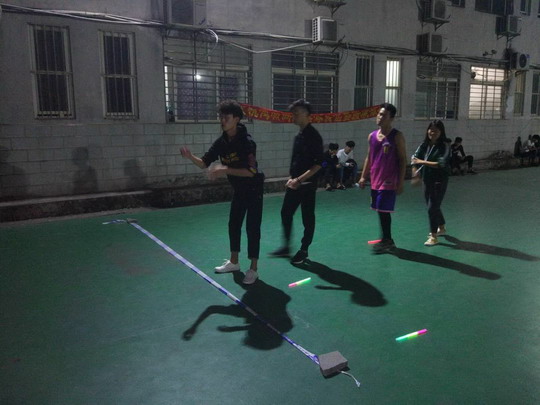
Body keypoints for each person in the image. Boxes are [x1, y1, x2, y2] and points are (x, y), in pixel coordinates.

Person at [180, 100, 264, 285]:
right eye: (221, 117)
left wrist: (224, 169)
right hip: (239, 189)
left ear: (237, 119)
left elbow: (251, 172)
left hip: (254, 188)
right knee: (234, 224)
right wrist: (190, 156)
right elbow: (204, 163)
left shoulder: (247, 142)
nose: (222, 120)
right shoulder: (222, 142)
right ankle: (234, 262)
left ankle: (253, 269)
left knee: (252, 227)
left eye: (226, 117)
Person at [270, 99, 324, 264]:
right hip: (295, 183)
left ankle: (304, 250)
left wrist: (299, 180)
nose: (293, 116)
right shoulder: (299, 136)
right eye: (293, 113)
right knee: (286, 212)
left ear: (307, 115)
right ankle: (286, 246)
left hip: (307, 185)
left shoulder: (314, 136)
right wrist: (292, 177)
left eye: (297, 113)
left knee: (307, 217)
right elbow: (297, 161)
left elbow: (318, 165)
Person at [358, 103, 407, 254]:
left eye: (384, 115)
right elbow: (369, 157)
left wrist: (400, 182)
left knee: (384, 210)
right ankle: (386, 238)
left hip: (389, 180)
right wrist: (363, 176)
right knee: (379, 209)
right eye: (379, 114)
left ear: (391, 118)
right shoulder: (372, 136)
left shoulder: (396, 136)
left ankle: (388, 240)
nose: (379, 117)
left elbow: (403, 159)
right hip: (375, 179)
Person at [411, 120, 451, 246]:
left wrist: (421, 162)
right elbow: (414, 158)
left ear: (441, 132)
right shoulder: (424, 144)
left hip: (439, 180)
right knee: (433, 205)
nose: (432, 133)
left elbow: (441, 163)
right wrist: (415, 172)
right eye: (431, 130)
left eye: (436, 131)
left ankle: (433, 236)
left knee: (432, 207)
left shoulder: (445, 146)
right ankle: (441, 227)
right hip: (427, 179)